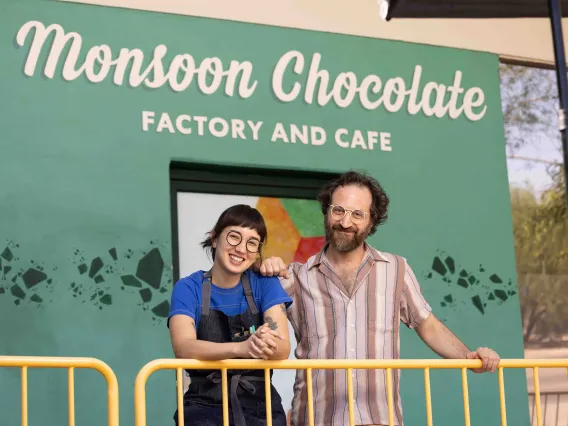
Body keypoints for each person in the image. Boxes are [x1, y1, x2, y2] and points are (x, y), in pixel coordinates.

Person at [258, 170, 501, 426]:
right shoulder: (295, 277)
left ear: (371, 221)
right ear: (327, 213)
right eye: (338, 210)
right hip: (316, 419)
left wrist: (469, 360)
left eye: (357, 214)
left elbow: (429, 326)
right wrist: (259, 269)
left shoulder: (396, 270)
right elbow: (249, 316)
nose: (345, 221)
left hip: (379, 419)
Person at [168, 204, 293, 426]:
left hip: (261, 407)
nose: (241, 249)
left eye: (252, 242)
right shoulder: (188, 288)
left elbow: (283, 348)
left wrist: (266, 343)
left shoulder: (265, 284)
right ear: (215, 239)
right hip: (202, 406)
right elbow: (183, 347)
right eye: (234, 237)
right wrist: (241, 348)